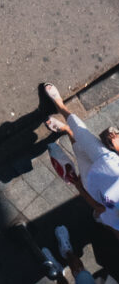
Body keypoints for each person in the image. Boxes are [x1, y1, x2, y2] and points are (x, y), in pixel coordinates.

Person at [43, 92, 119, 232]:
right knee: (82, 132)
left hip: (91, 181)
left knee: (78, 150)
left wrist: (79, 187)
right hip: (109, 163)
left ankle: (67, 130)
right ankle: (60, 105)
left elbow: (99, 208)